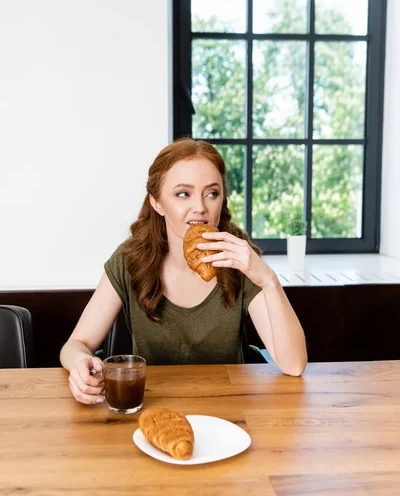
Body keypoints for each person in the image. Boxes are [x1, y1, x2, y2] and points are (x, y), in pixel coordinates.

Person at [60, 138, 308, 404]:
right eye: (182, 194)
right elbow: (75, 345)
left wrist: (268, 279)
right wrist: (79, 364)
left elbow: (293, 365)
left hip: (229, 411)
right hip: (152, 410)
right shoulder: (129, 260)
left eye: (212, 193)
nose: (200, 207)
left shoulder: (239, 261)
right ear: (157, 202)